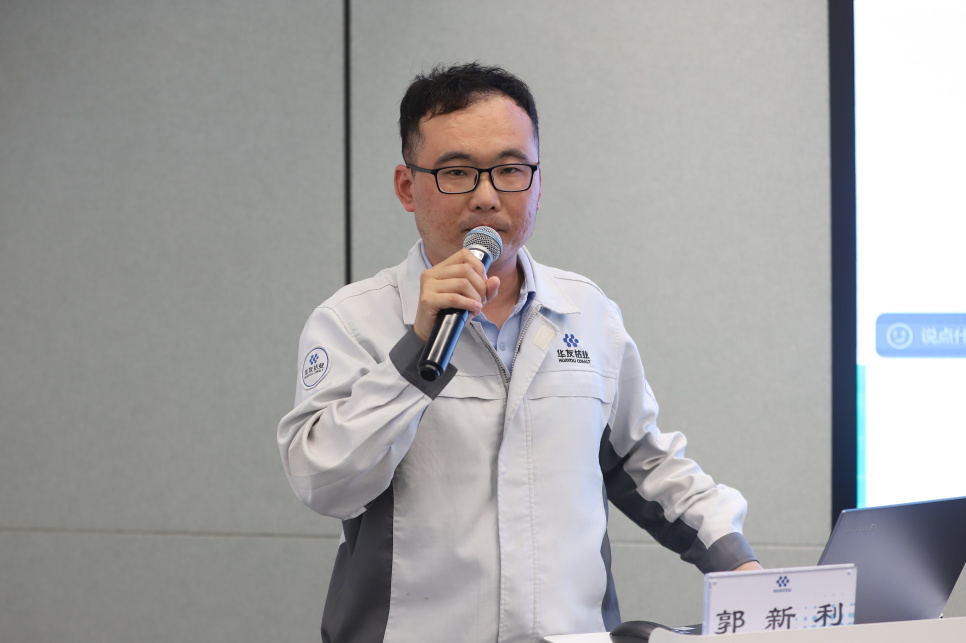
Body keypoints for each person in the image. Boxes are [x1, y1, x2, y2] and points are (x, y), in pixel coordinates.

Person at [278, 62, 761, 643]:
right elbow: (326, 482)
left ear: (536, 183)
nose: (486, 197)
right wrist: (416, 352)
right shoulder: (353, 321)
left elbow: (643, 462)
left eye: (510, 170)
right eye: (457, 172)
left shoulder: (587, 312)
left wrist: (736, 563)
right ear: (408, 187)